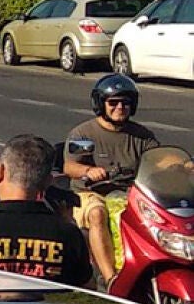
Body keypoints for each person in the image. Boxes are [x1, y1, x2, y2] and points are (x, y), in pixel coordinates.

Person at [0, 135, 93, 286]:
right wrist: (69, 226)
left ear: (1, 172)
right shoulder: (68, 236)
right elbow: (85, 291)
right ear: (48, 181)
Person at [64, 73, 156, 284]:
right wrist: (88, 170)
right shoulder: (84, 135)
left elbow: (158, 161)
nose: (120, 107)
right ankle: (110, 279)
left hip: (128, 194)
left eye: (126, 103)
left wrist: (179, 166)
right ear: (100, 104)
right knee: (98, 213)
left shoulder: (143, 137)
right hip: (88, 193)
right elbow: (71, 166)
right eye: (113, 102)